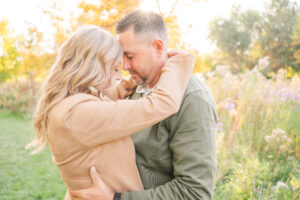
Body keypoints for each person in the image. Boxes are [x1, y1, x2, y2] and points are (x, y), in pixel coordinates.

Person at [26, 25, 195, 199]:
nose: (117, 77)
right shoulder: (80, 113)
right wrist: (177, 63)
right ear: (94, 66)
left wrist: (132, 81)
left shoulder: (68, 106)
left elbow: (106, 100)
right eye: (114, 68)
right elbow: (163, 103)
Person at [70, 10, 217, 200]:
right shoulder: (135, 88)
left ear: (157, 47)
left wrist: (117, 198)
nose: (124, 66)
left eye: (130, 56)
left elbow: (195, 192)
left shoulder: (193, 99)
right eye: (121, 57)